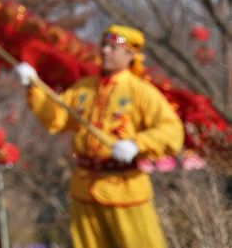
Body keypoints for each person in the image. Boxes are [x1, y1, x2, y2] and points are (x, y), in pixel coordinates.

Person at [16, 25, 183, 248]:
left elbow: (172, 132)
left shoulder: (141, 92)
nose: (104, 51)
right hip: (85, 189)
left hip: (124, 189)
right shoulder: (83, 89)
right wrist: (33, 87)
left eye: (113, 48)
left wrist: (137, 144)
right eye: (104, 46)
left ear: (129, 55)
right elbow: (55, 119)